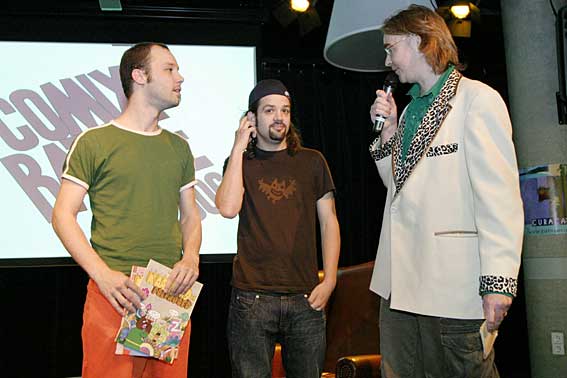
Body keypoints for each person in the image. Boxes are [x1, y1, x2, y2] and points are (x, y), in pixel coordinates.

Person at [368, 5, 523, 378]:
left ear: (420, 41)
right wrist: (387, 132)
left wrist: (499, 282)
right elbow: (397, 186)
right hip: (399, 286)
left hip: (453, 286)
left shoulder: (477, 99)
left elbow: (499, 199)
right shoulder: (406, 112)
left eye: (391, 48)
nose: (387, 59)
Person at [52, 42, 202, 378]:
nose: (180, 77)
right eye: (169, 69)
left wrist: (190, 257)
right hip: (116, 294)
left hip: (168, 296)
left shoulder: (179, 148)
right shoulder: (94, 141)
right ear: (139, 76)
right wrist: (103, 276)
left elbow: (191, 215)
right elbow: (63, 215)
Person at [215, 79, 341, 378]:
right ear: (252, 118)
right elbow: (228, 208)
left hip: (305, 297)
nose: (279, 117)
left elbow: (329, 222)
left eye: (284, 110)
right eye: (269, 110)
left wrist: (330, 281)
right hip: (251, 298)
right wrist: (237, 148)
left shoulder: (312, 161)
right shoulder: (239, 163)